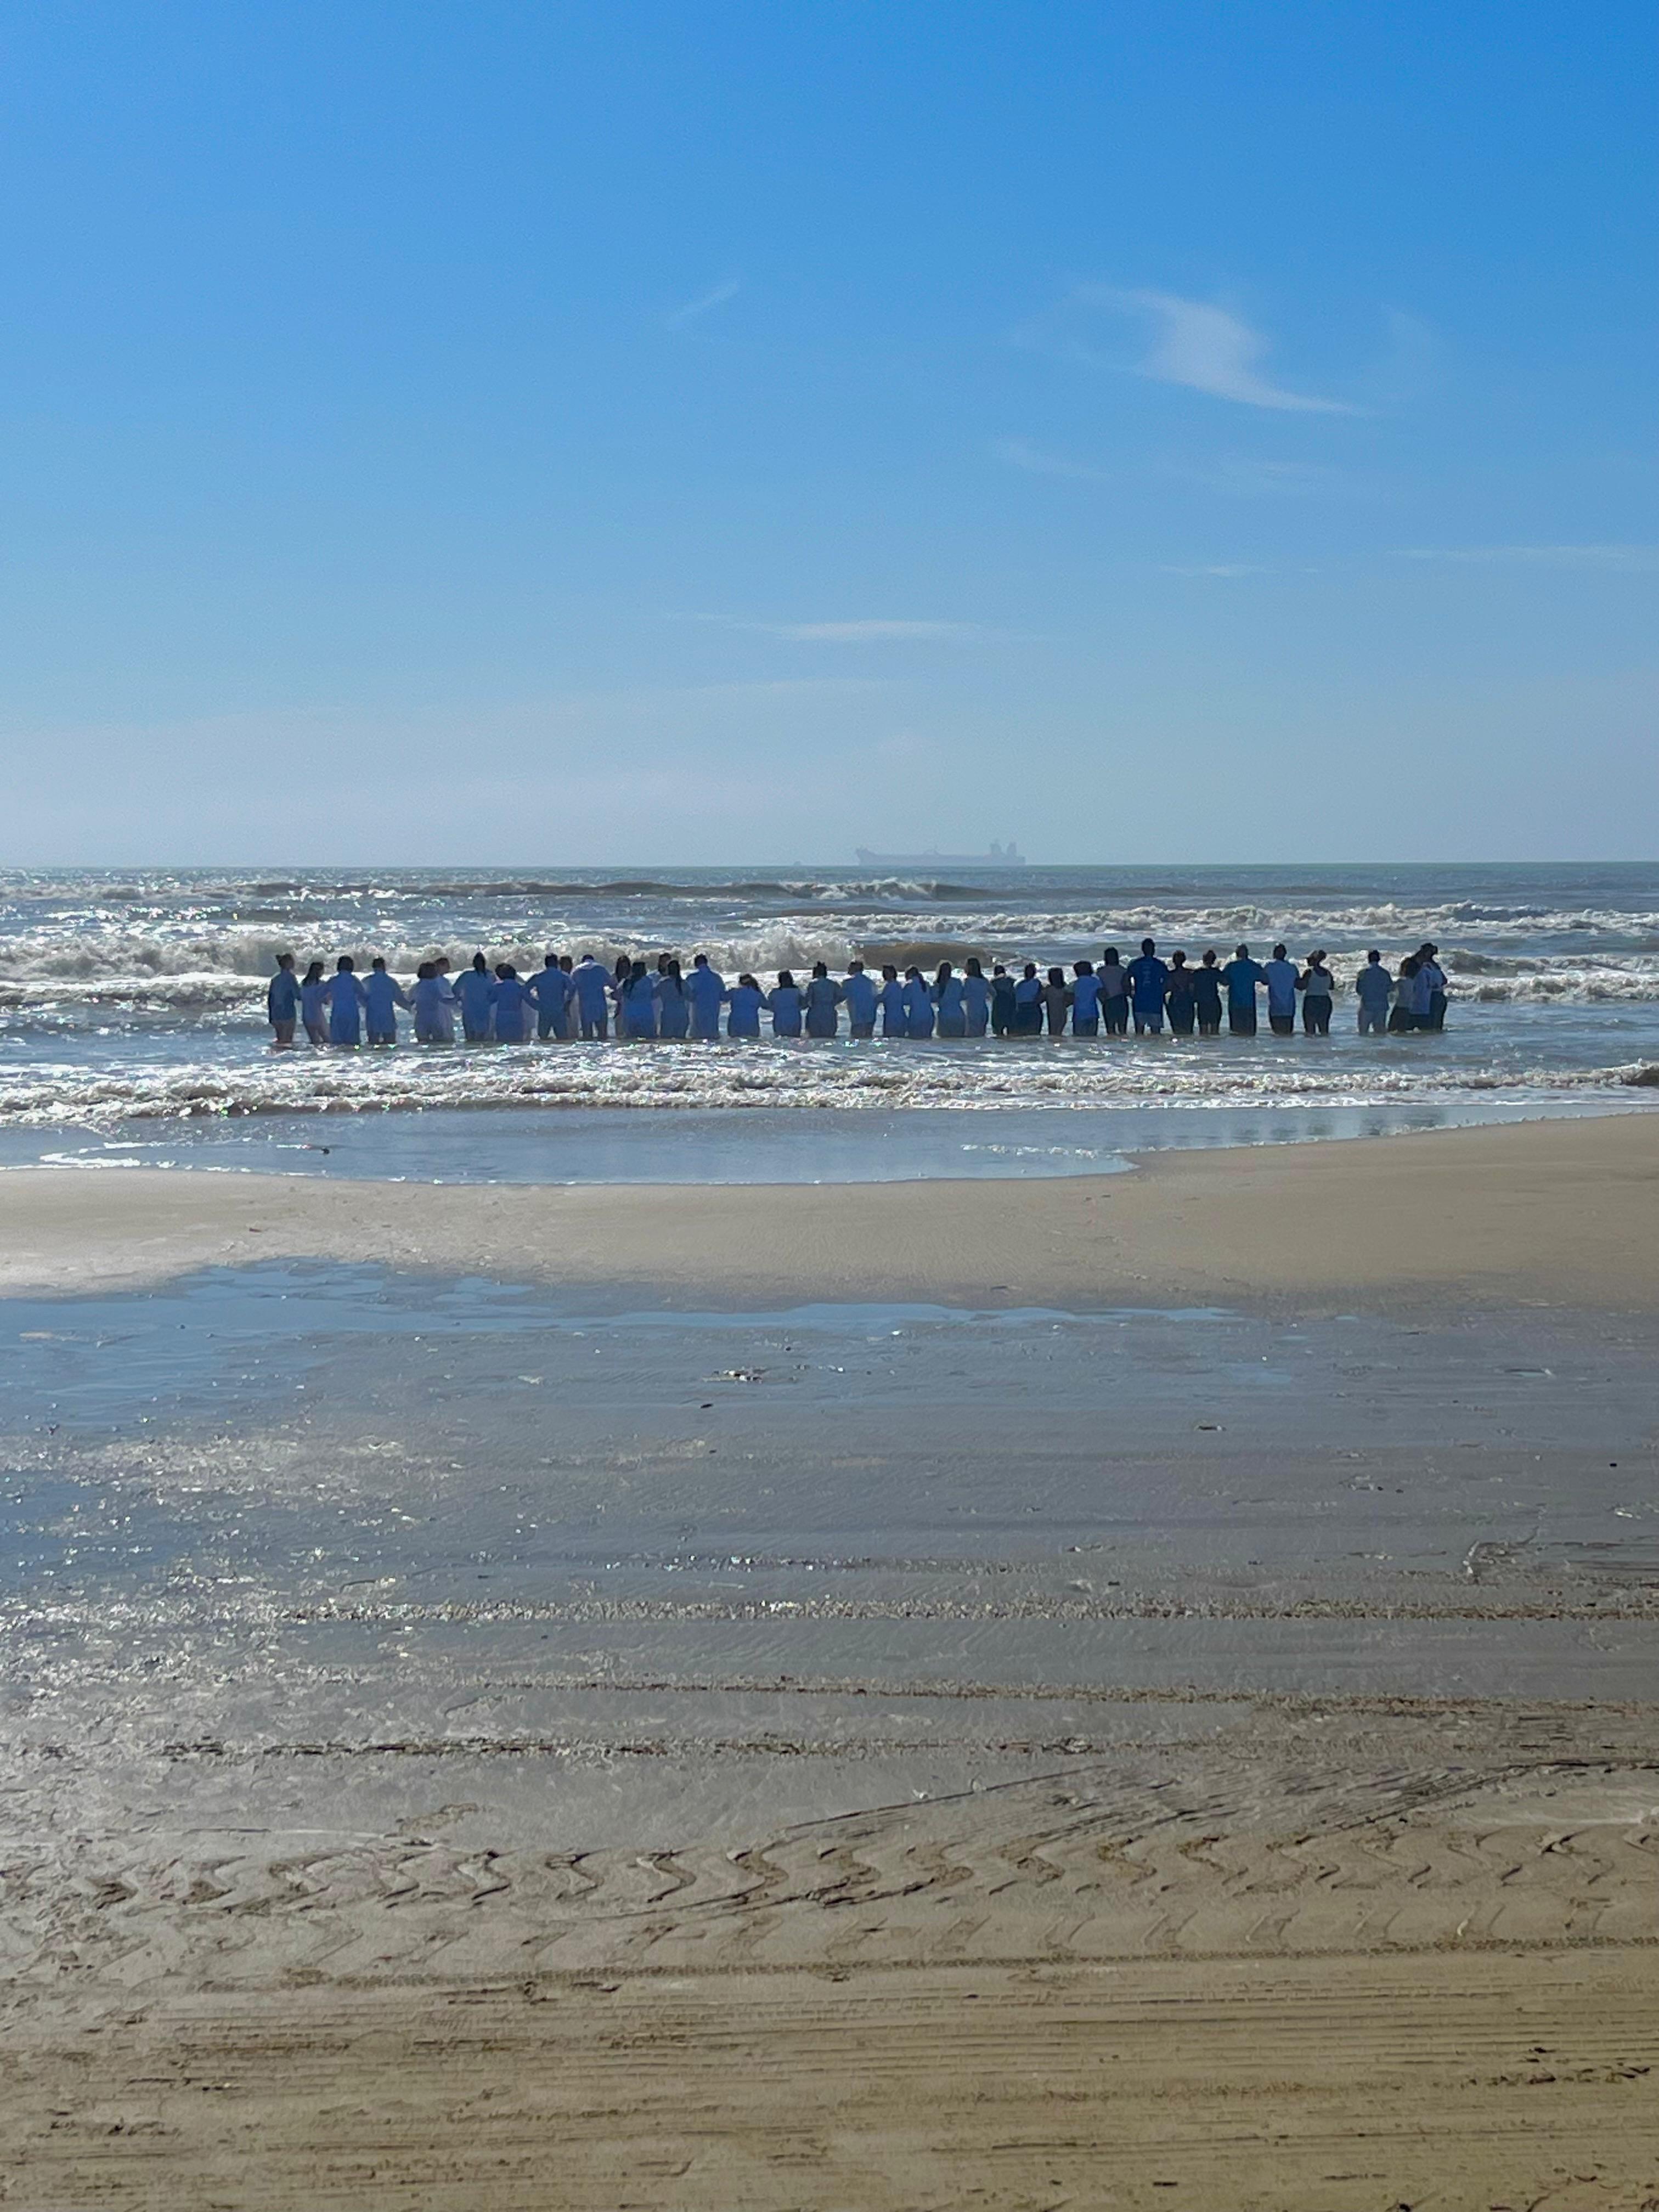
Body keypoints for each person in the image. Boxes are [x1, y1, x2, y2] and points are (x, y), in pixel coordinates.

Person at [364, 956, 410, 1047]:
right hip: (387, 1016)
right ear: (384, 966)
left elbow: (361, 998)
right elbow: (399, 1000)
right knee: (391, 1044)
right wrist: (410, 1008)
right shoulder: (390, 981)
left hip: (372, 1016)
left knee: (373, 1044)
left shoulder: (367, 981)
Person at [1126, 938, 1169, 1035]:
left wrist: (1129, 992)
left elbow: (1126, 978)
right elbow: (1168, 980)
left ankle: (1141, 1049)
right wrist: (1163, 991)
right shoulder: (1159, 964)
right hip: (1155, 1001)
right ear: (1153, 949)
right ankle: (1153, 1050)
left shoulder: (1136, 964)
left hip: (1140, 1000)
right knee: (1156, 1032)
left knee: (1140, 1031)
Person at [323, 955, 367, 1047]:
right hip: (351, 1012)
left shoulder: (333, 981)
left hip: (338, 1012)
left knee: (337, 1042)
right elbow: (363, 995)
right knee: (352, 1042)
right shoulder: (354, 980)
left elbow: (322, 995)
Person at [1220, 944, 1264, 1036]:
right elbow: (1266, 980)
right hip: (1249, 1004)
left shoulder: (1231, 967)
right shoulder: (1253, 966)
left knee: (1236, 1033)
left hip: (1235, 1004)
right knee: (1250, 1034)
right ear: (1247, 954)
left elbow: (1223, 981)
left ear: (1236, 955)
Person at [528, 952, 572, 1041]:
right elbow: (573, 989)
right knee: (562, 1039)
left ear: (545, 964)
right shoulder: (563, 976)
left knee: (543, 1039)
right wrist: (567, 1003)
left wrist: (534, 1004)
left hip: (544, 1010)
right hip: (559, 1010)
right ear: (557, 963)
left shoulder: (539, 977)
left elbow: (524, 991)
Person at [411, 960, 456, 1044]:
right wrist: (456, 999)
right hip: (435, 1018)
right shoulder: (435, 984)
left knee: (422, 1042)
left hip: (420, 1018)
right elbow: (443, 1000)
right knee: (439, 1042)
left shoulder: (417, 986)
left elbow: (409, 1001)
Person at [455, 953, 496, 1043]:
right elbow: (495, 993)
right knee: (484, 1036)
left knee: (471, 1037)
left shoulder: (467, 975)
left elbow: (455, 990)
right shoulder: (490, 976)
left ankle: (472, 1053)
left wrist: (459, 1000)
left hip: (470, 1009)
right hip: (485, 1009)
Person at [686, 953, 727, 1041]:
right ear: (707, 963)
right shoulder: (717, 978)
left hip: (697, 1012)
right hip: (713, 1012)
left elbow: (688, 996)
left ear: (696, 965)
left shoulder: (692, 978)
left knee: (697, 1038)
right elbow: (723, 997)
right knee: (712, 1038)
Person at [569, 954, 611, 1040]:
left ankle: (588, 1052)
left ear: (583, 961)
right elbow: (612, 985)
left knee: (587, 1035)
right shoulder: (601, 968)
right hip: (600, 1004)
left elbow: (571, 990)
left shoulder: (577, 970)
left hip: (585, 1005)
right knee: (602, 1035)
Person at [1262, 943, 1299, 1037]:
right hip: (1289, 1007)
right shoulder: (1292, 968)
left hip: (1275, 1006)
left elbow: (1264, 981)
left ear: (1274, 954)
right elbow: (1298, 984)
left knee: (1277, 1034)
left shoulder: (1269, 967)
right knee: (1288, 1034)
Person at [266, 953, 301, 1048]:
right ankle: (285, 1060)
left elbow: (270, 999)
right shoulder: (290, 978)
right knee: (287, 1042)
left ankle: (277, 1060)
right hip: (287, 1013)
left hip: (275, 1014)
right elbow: (298, 996)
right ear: (289, 963)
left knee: (280, 1040)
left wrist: (271, 1016)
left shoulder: (275, 979)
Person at [1354, 950, 1393, 1035]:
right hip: (1382, 1006)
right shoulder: (1385, 973)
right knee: (1380, 1033)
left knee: (1363, 1032)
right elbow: (1390, 988)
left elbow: (1359, 990)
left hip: (1367, 1005)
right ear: (1379, 959)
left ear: (1369, 959)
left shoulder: (1363, 973)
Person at [619, 960, 660, 1039]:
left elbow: (616, 994)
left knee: (631, 1039)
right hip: (646, 1015)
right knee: (648, 1040)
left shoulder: (626, 982)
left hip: (630, 1015)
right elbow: (653, 994)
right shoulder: (647, 981)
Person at [1298, 950, 1334, 1035]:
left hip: (1311, 1000)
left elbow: (1302, 986)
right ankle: (1324, 1047)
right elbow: (1331, 987)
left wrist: (1295, 982)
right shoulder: (1328, 973)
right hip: (1325, 1000)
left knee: (1310, 1030)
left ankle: (1311, 1047)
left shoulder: (1309, 972)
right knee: (1324, 1029)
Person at [803, 961, 843, 1038]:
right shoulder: (833, 984)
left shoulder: (813, 984)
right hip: (829, 1011)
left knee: (815, 1037)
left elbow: (809, 1001)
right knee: (829, 1036)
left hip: (816, 1012)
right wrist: (833, 1003)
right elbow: (842, 996)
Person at [841, 958, 877, 1039]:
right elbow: (875, 998)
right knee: (868, 1040)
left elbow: (841, 996)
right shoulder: (870, 982)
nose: (848, 969)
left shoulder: (848, 983)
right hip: (870, 1017)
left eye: (850, 967)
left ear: (855, 969)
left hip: (857, 1018)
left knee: (856, 1040)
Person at [1164, 950, 1197, 1036]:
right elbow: (1193, 990)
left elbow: (1167, 989)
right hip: (1187, 1001)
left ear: (1174, 961)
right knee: (1188, 1030)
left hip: (1175, 1001)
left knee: (1177, 1030)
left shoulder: (1170, 975)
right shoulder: (1190, 973)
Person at [1417, 943, 1448, 1031]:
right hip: (1437, 995)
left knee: (1434, 1022)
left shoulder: (1428, 966)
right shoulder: (1433, 966)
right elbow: (1444, 980)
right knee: (1436, 1023)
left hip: (1434, 995)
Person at [1098, 947, 1129, 1035]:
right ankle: (1122, 1046)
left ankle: (1114, 1047)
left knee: (1110, 1030)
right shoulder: (1123, 970)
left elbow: (1099, 990)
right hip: (1121, 1000)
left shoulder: (1100, 972)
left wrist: (1102, 1000)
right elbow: (1127, 989)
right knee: (1123, 1030)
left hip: (1108, 1001)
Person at [1193, 950, 1224, 1037]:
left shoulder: (1197, 973)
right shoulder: (1215, 972)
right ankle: (1213, 1048)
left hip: (1202, 1003)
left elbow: (1192, 988)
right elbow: (1225, 982)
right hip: (1214, 1002)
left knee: (1203, 1031)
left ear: (1203, 960)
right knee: (1215, 1030)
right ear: (1214, 961)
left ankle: (1206, 1048)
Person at [656, 958, 690, 1039]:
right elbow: (691, 998)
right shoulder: (684, 984)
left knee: (666, 1040)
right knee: (681, 1040)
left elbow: (653, 995)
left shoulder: (663, 983)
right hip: (682, 1014)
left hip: (668, 1014)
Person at [933, 961, 967, 1037]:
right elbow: (963, 996)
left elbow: (933, 999)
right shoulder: (957, 982)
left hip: (945, 1016)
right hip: (958, 1015)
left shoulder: (937, 985)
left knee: (945, 1043)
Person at [766, 969, 804, 1037]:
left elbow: (768, 1006)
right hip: (794, 1018)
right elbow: (804, 1004)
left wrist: (777, 1010)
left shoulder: (775, 993)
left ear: (780, 981)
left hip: (780, 1019)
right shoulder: (797, 992)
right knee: (795, 1040)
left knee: (780, 1040)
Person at [726, 972, 764, 1039]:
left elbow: (722, 998)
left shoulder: (734, 993)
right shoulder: (758, 994)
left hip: (735, 1024)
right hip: (752, 1025)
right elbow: (767, 1005)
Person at [1069, 960, 1102, 1037]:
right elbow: (1101, 994)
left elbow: (1070, 998)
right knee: (1092, 1037)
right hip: (1093, 1013)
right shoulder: (1095, 981)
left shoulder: (1075, 984)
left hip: (1079, 1015)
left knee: (1079, 1037)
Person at [300, 959, 328, 1047]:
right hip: (317, 1016)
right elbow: (325, 1001)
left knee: (314, 1043)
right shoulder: (321, 984)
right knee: (328, 1040)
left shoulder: (304, 984)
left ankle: (314, 1058)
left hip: (306, 1017)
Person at [961, 956, 991, 1037]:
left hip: (973, 1011)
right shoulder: (984, 980)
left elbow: (964, 995)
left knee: (972, 1035)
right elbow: (994, 993)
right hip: (984, 1010)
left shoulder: (968, 981)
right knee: (982, 1034)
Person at [902, 966, 936, 1037]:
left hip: (916, 1017)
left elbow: (904, 1001)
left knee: (916, 1040)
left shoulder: (910, 986)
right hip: (929, 1016)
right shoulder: (926, 985)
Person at [1012, 961, 1043, 1035]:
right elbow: (1040, 997)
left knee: (1023, 1033)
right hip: (1031, 1009)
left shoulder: (1019, 985)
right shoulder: (1037, 983)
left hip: (1022, 1009)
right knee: (1033, 1033)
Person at [1390, 954, 1419, 1033]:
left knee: (1391, 1027)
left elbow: (1391, 988)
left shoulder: (1401, 981)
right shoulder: (1413, 982)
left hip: (1399, 1006)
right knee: (1402, 1028)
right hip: (1408, 1007)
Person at [878, 964, 907, 1037]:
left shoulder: (891, 986)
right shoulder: (898, 985)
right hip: (900, 1017)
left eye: (887, 973)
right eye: (884, 973)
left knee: (890, 1038)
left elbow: (882, 998)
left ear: (893, 974)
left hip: (892, 1018)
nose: (885, 975)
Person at [1041, 966, 1071, 1036]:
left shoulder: (1049, 990)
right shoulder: (1065, 988)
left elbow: (1039, 999)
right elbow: (1070, 1001)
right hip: (1062, 1013)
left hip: (1052, 1014)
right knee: (1058, 1032)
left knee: (1053, 1033)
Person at [990, 962, 1016, 1036]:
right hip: (1010, 1008)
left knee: (998, 1033)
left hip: (998, 1009)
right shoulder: (1011, 981)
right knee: (1011, 1033)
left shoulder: (993, 982)